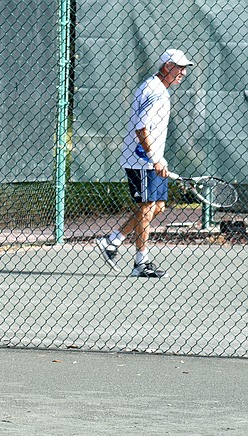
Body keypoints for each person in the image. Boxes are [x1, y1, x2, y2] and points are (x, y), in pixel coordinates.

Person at [96, 49, 194, 278]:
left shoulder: (158, 89)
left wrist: (159, 158)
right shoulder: (154, 91)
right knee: (146, 208)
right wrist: (154, 158)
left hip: (150, 158)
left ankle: (113, 241)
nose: (183, 72)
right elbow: (141, 128)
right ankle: (141, 263)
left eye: (185, 68)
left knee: (157, 207)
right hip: (141, 160)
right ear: (167, 66)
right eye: (180, 67)